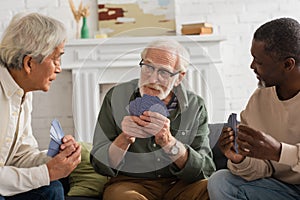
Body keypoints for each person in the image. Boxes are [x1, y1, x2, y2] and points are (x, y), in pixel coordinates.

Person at [90, 39, 215, 200]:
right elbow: (99, 164)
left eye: (163, 72)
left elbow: (206, 169)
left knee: (212, 188)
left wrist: (169, 142)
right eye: (148, 67)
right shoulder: (116, 96)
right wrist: (125, 138)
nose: (152, 78)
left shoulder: (195, 105)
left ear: (179, 77)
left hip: (181, 185)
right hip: (131, 184)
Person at [207, 17, 300, 199]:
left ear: (288, 64)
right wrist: (239, 159)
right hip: (283, 190)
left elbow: (275, 153)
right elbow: (262, 168)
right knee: (221, 181)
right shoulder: (260, 99)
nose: (252, 66)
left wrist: (279, 152)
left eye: (259, 61)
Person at [0, 13, 81, 199]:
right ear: (29, 63)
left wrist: (55, 158)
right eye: (55, 59)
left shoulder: (22, 90)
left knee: (52, 190)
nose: (59, 68)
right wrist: (46, 173)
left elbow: (20, 156)